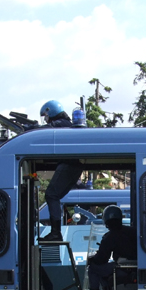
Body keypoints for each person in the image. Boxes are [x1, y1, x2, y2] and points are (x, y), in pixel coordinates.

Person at [40, 100, 87, 242]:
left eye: (46, 116)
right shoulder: (66, 124)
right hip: (73, 167)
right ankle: (56, 232)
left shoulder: (61, 124)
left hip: (68, 165)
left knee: (51, 195)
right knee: (54, 196)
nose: (46, 119)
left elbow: (42, 130)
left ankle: (55, 232)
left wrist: (29, 128)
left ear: (51, 111)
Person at [85, 205, 137, 290]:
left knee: (93, 268)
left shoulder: (110, 236)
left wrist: (92, 259)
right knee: (104, 270)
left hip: (123, 270)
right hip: (136, 268)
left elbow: (101, 259)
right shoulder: (133, 231)